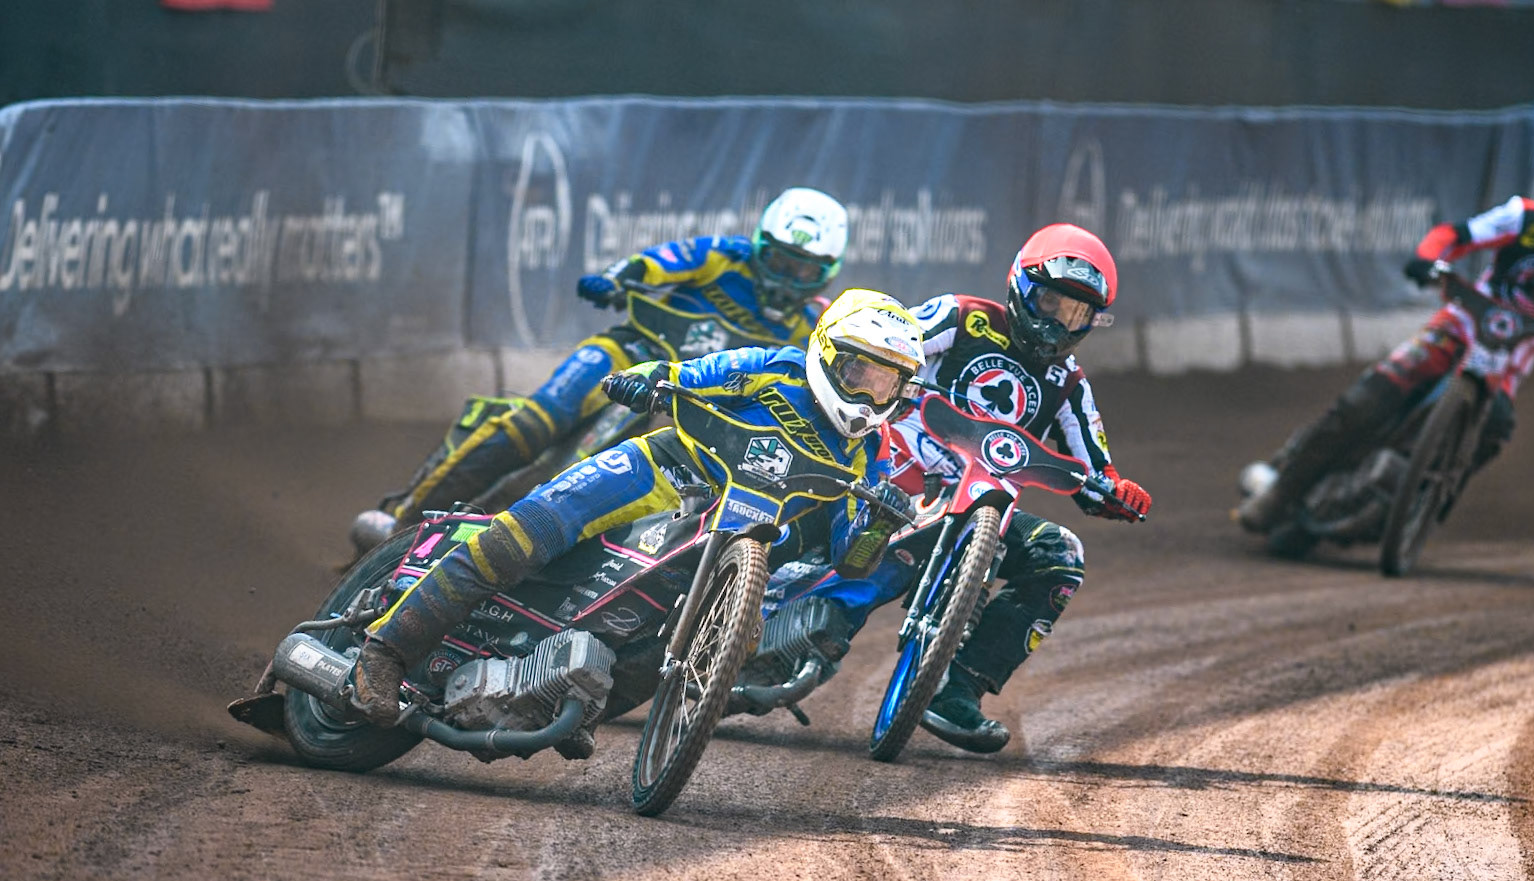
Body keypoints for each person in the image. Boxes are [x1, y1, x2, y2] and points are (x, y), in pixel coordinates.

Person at [350, 288, 924, 727]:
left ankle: (568, 704)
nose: (872, 394)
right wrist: (650, 378)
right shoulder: (772, 365)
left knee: (685, 645)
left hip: (723, 534)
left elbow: (852, 558)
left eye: (888, 384)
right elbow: (692, 375)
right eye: (861, 373)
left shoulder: (868, 453)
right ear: (826, 352)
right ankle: (384, 650)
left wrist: (880, 523)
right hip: (663, 471)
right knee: (524, 534)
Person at [772, 223, 1153, 753]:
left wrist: (1115, 492)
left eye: (1076, 313)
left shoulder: (1069, 383)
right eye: (1050, 301)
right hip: (879, 470)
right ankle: (738, 586)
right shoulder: (961, 315)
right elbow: (887, 348)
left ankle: (956, 690)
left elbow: (1096, 470)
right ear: (1021, 287)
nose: (1059, 322)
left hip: (975, 506)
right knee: (798, 515)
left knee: (1060, 554)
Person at [351, 187, 850, 550]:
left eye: (803, 270)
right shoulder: (724, 257)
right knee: (538, 420)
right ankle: (401, 517)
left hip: (679, 401)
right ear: (760, 245)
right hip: (630, 354)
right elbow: (657, 263)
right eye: (780, 261)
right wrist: (616, 280)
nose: (788, 278)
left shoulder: (808, 329)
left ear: (825, 272)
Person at [1235, 155, 1534, 535]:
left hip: (1510, 359)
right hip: (1459, 324)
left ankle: (1430, 495)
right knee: (1375, 392)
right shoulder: (1522, 218)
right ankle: (1282, 484)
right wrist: (1429, 259)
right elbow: (1454, 234)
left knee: (1496, 424)